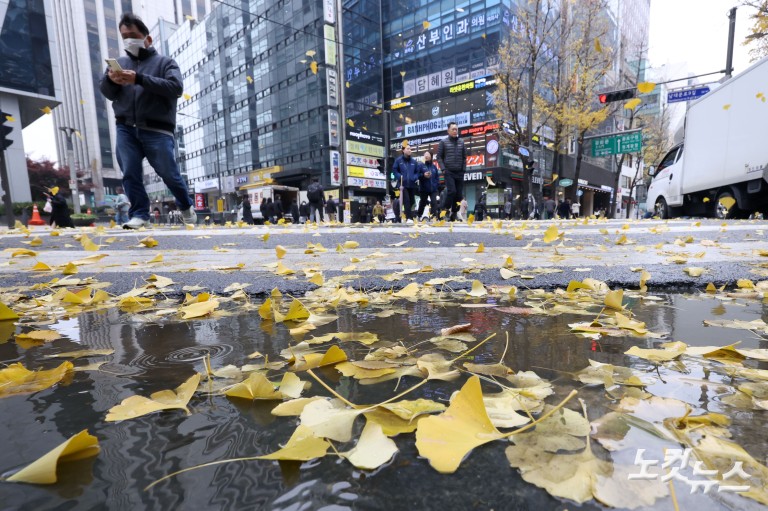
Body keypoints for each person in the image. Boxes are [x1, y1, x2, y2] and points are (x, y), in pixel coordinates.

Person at [99, 13, 196, 229]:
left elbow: (175, 88)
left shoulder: (165, 63)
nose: (128, 40)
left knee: (169, 174)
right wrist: (110, 79)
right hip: (125, 127)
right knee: (130, 172)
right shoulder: (118, 64)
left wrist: (139, 79)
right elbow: (107, 92)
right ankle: (140, 214)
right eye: (124, 36)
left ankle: (186, 206)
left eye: (133, 35)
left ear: (147, 39)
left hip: (157, 129)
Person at [436, 122, 467, 221]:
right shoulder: (443, 142)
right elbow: (439, 157)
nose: (455, 131)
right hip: (448, 171)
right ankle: (445, 211)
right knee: (451, 191)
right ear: (448, 130)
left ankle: (454, 212)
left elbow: (464, 157)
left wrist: (463, 169)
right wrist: (443, 169)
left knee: (459, 194)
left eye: (456, 129)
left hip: (459, 172)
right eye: (453, 129)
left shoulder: (461, 142)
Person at [392, 143, 420, 223]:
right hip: (402, 184)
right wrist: (399, 176)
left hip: (411, 184)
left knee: (412, 201)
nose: (409, 150)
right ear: (403, 150)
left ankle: (405, 214)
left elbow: (417, 172)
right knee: (406, 200)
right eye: (407, 148)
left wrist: (414, 177)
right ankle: (409, 218)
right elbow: (394, 170)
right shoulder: (398, 160)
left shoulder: (414, 162)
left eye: (410, 149)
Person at [417, 150, 440, 221]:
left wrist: (436, 185)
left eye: (428, 154)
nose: (426, 156)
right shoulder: (420, 165)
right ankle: (419, 215)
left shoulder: (434, 167)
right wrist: (423, 175)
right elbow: (417, 175)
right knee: (423, 202)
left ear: (431, 156)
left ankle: (433, 217)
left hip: (433, 189)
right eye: (425, 154)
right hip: (424, 188)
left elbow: (437, 177)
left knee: (434, 202)